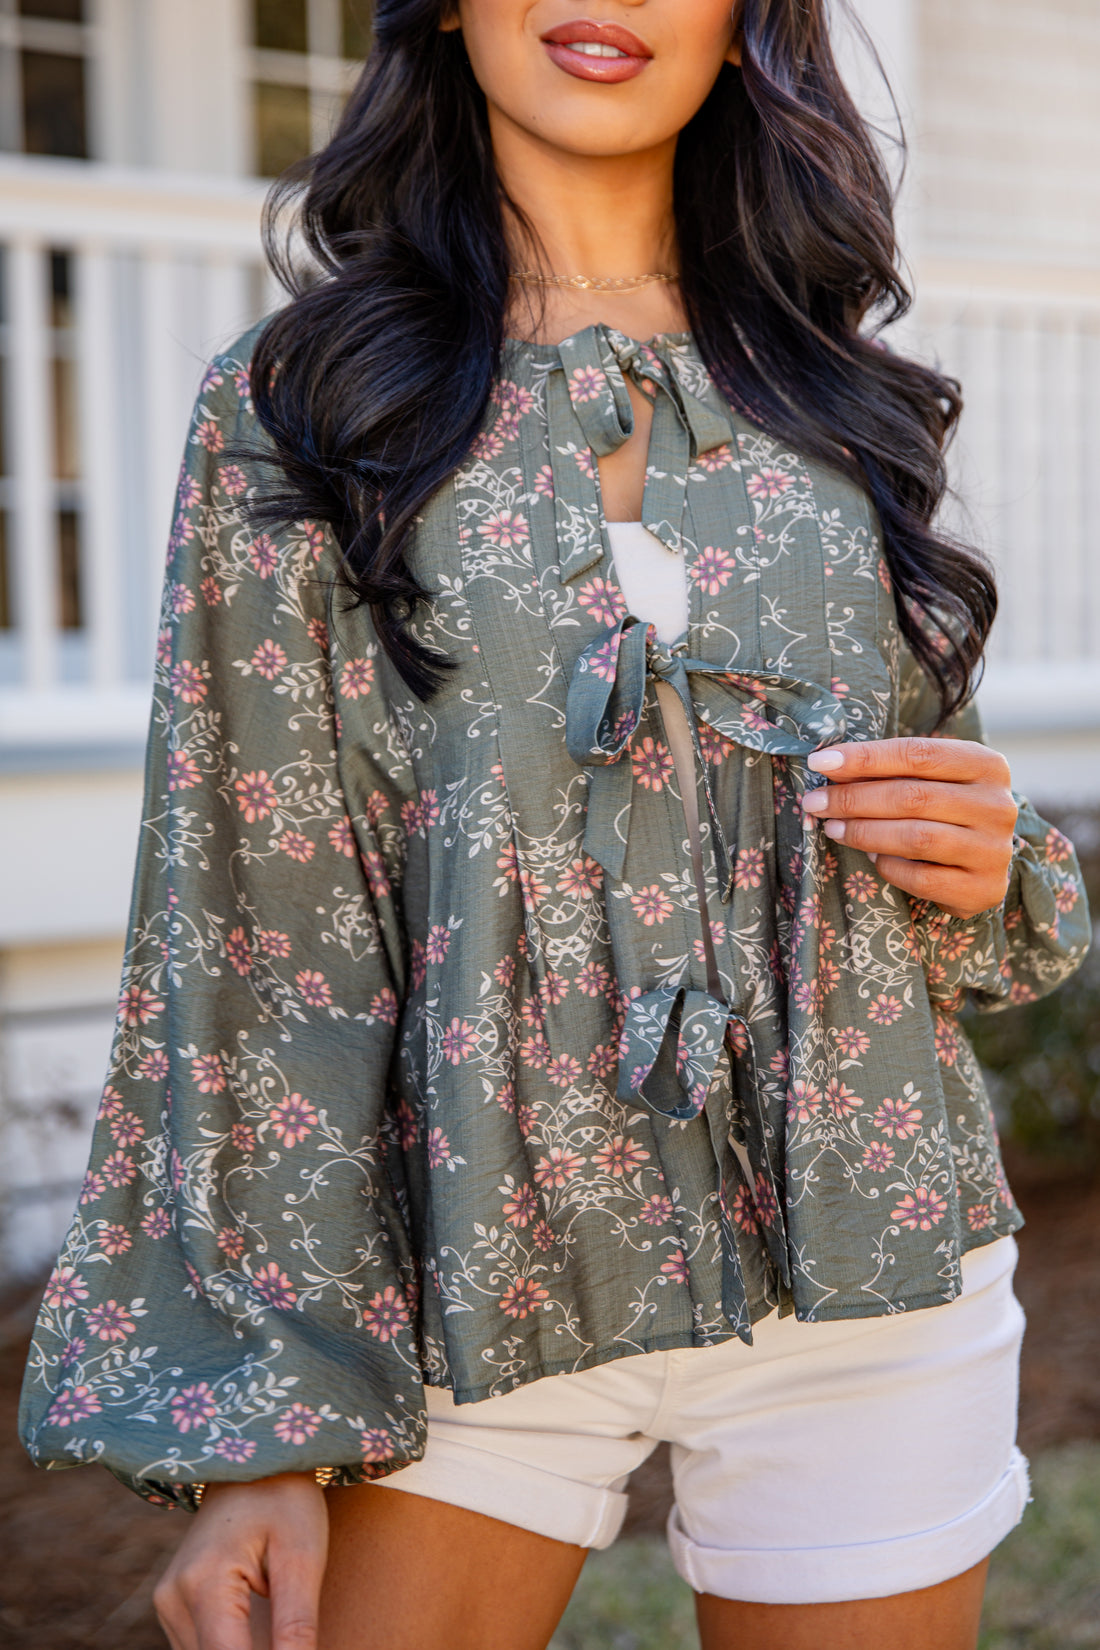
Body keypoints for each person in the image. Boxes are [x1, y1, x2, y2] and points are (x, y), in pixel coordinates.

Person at [19, 2, 1091, 1647]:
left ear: (747, 26)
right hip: (467, 1271)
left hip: (874, 1259)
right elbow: (259, 932)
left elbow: (931, 836)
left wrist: (983, 854)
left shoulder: (836, 395)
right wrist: (268, 1437)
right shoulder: (304, 403)